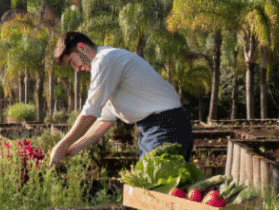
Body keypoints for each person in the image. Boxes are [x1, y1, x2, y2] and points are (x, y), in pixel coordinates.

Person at [48, 31, 193, 166]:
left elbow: (90, 113)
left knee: (153, 189)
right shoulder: (108, 67)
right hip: (157, 128)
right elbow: (105, 121)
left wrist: (61, 145)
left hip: (164, 127)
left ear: (82, 48)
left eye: (72, 62)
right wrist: (70, 150)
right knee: (159, 189)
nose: (76, 69)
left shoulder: (104, 60)